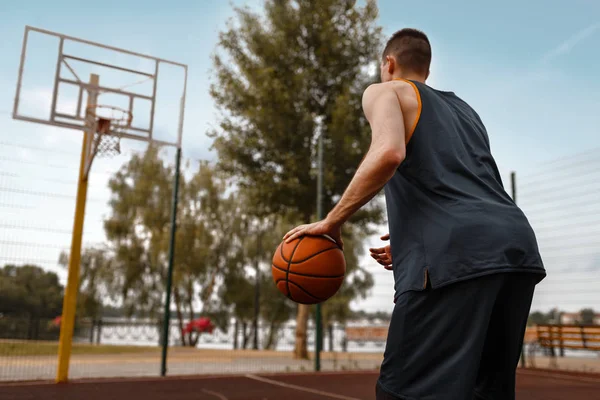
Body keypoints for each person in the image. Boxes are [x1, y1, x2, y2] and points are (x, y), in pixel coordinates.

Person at [283, 28, 546, 400]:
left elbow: (389, 153)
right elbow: (467, 189)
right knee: (484, 392)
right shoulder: (466, 112)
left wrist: (332, 221)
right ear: (427, 67)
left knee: (402, 391)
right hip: (516, 251)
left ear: (388, 64)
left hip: (458, 252)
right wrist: (414, 241)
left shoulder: (384, 91)